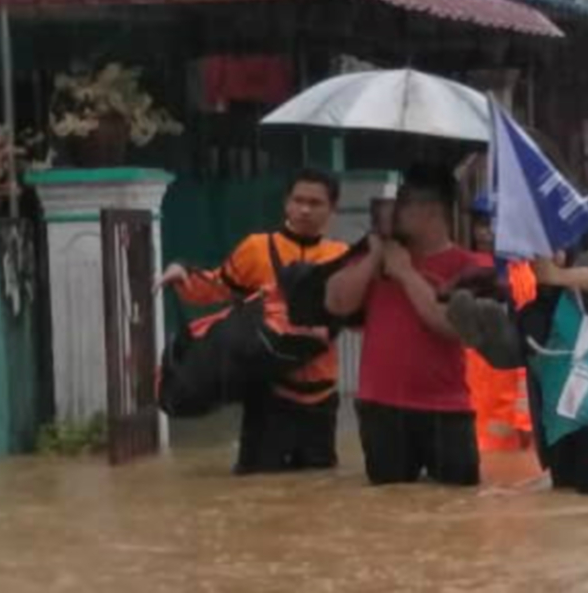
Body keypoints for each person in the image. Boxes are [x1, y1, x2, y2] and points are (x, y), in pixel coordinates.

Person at [157, 168, 349, 474]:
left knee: (319, 492)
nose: (305, 210)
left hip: (322, 400)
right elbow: (216, 286)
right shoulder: (256, 248)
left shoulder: (341, 257)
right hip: (268, 395)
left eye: (315, 203)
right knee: (258, 487)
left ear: (332, 209)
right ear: (286, 203)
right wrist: (182, 271)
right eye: (298, 200)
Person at [325, 171, 485, 486]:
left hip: (446, 409)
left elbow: (451, 326)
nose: (391, 212)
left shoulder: (469, 265)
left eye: (401, 205)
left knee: (460, 510)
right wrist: (374, 257)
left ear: (431, 212)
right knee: (389, 506)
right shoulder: (377, 258)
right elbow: (336, 303)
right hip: (381, 408)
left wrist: (406, 274)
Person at [448, 245, 588, 496]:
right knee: (565, 509)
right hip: (557, 431)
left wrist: (558, 276)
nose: (540, 256)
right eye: (534, 250)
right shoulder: (532, 307)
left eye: (550, 246)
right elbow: (511, 357)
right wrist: (480, 333)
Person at [465, 195, 536, 452]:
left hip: (506, 388)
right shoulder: (464, 267)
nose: (485, 232)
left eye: (492, 224)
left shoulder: (521, 274)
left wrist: (524, 415)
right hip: (471, 384)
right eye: (480, 224)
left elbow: (528, 334)